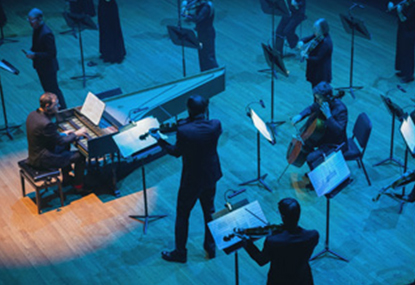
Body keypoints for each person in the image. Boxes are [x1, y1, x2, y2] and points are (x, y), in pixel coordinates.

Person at [150, 95, 222, 263]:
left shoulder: (185, 131)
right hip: (211, 175)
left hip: (192, 179)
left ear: (189, 110)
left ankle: (180, 252)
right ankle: (210, 248)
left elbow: (176, 152)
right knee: (209, 211)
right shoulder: (216, 125)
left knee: (183, 214)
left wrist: (159, 139)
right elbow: (203, 127)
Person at [243, 198, 319, 285]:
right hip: (302, 279)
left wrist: (247, 242)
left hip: (279, 280)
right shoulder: (313, 236)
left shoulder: (273, 241)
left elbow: (261, 260)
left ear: (283, 217)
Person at [26, 92, 87, 191]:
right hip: (43, 159)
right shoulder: (46, 123)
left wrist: (63, 134)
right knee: (81, 156)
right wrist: (76, 134)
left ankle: (66, 178)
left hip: (36, 153)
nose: (59, 106)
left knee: (66, 146)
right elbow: (61, 142)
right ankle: (78, 186)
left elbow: (48, 136)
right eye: (56, 105)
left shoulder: (32, 114)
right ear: (47, 106)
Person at [291, 81, 348, 169]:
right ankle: (315, 173)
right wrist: (300, 115)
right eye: (316, 98)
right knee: (308, 148)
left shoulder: (341, 110)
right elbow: (312, 107)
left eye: (319, 99)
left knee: (310, 158)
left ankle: (319, 177)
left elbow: (339, 131)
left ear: (327, 98)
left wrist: (329, 116)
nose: (317, 101)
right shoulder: (322, 102)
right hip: (323, 137)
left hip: (334, 143)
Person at [26, 8, 67, 109]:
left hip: (48, 68)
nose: (30, 22)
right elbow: (37, 45)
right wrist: (32, 51)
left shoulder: (46, 33)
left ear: (39, 19)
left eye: (32, 20)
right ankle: (53, 110)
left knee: (54, 91)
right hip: (41, 66)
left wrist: (35, 55)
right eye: (29, 20)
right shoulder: (36, 29)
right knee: (48, 92)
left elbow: (52, 53)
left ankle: (63, 110)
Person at [181, 0, 219, 72]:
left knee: (208, 56)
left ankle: (214, 73)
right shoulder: (202, 4)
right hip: (202, 33)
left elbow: (197, 18)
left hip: (207, 34)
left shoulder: (206, 7)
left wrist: (186, 13)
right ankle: (205, 72)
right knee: (202, 55)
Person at [298, 18, 332, 88]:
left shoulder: (326, 43)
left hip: (321, 73)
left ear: (321, 30)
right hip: (315, 70)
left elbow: (318, 58)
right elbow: (309, 38)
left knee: (319, 94)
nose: (314, 31)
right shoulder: (320, 35)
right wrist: (301, 41)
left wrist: (306, 56)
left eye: (316, 29)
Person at [388, 1, 415, 83]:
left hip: (410, 30)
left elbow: (405, 19)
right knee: (401, 49)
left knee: (408, 52)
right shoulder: (408, 2)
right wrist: (392, 6)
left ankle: (409, 75)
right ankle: (402, 70)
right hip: (403, 28)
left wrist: (399, 11)